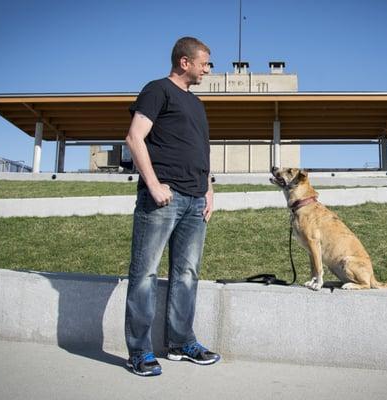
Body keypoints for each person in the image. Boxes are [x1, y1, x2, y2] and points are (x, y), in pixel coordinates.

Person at [123, 37, 219, 377]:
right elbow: (135, 137)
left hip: (195, 201)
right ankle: (140, 351)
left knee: (187, 274)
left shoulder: (197, 104)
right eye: (205, 63)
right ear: (185, 62)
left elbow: (202, 151)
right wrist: (152, 184)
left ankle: (181, 343)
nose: (208, 69)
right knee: (145, 274)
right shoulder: (157, 90)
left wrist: (208, 190)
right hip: (163, 198)